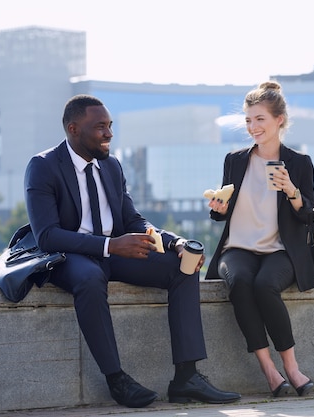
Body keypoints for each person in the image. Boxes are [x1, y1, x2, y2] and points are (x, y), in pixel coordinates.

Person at [24, 94, 240, 408]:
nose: (109, 134)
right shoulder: (43, 166)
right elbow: (47, 236)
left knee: (183, 266)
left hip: (115, 252)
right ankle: (117, 380)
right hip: (70, 256)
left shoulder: (111, 165)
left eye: (110, 126)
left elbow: (132, 220)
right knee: (88, 280)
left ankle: (186, 378)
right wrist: (110, 245)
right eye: (100, 127)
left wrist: (174, 242)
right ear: (73, 129)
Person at [205, 81, 314, 397]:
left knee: (264, 286)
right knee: (240, 283)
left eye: (260, 119)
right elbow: (221, 213)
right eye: (248, 120)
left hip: (280, 250)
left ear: (279, 119)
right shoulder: (235, 160)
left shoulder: (299, 163)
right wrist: (218, 207)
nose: (252, 127)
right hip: (238, 247)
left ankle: (292, 368)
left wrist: (291, 190)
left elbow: (309, 213)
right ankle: (269, 371)